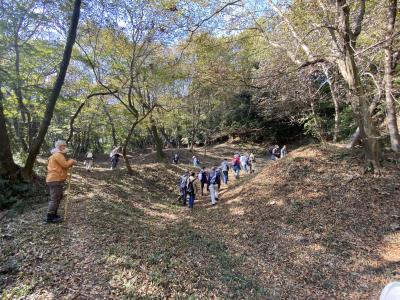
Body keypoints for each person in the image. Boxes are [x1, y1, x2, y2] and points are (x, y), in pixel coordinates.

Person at [45, 140, 76, 223]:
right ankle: (50, 217)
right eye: (63, 146)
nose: (65, 147)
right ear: (59, 147)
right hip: (55, 179)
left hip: (55, 179)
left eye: (66, 146)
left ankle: (54, 215)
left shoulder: (56, 155)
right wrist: (72, 161)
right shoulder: (58, 155)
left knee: (58, 197)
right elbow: (65, 165)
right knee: (55, 199)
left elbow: (63, 166)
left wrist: (70, 162)